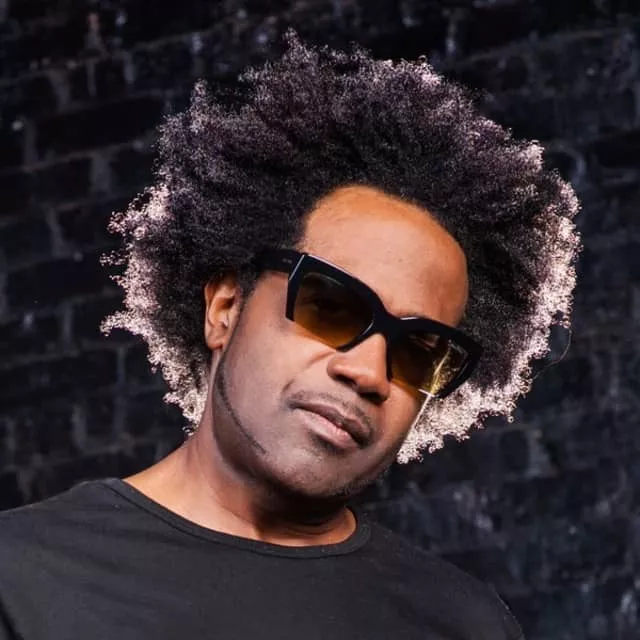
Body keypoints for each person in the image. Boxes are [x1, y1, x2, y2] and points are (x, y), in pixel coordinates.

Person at [0, 32, 580, 639]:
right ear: (224, 307)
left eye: (417, 352)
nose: (368, 372)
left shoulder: (466, 624)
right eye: (331, 306)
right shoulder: (24, 580)